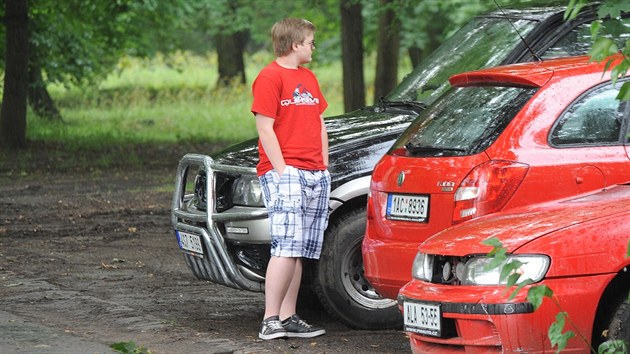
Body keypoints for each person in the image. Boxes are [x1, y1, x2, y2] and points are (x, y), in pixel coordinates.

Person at [251, 17, 330, 340]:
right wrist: (283, 171)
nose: (313, 46)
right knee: (285, 247)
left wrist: (324, 166)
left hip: (315, 172)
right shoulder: (269, 77)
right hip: (286, 173)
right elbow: (264, 128)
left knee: (299, 248)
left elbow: (320, 122)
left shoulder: (309, 78)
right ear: (295, 44)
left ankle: (288, 315)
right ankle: (270, 319)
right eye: (310, 41)